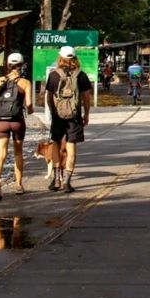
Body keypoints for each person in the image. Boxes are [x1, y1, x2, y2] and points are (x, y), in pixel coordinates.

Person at [45, 46, 92, 193]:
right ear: (75, 58)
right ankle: (67, 181)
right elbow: (86, 98)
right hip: (74, 117)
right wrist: (86, 114)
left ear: (60, 58)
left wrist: (54, 113)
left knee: (56, 145)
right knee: (71, 148)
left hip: (58, 116)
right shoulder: (81, 75)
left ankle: (56, 179)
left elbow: (48, 98)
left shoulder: (53, 75)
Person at [0, 52, 33, 200]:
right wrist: (29, 110)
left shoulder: (0, 80)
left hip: (1, 122)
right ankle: (19, 185)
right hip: (17, 122)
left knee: (1, 155)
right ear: (21, 65)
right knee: (18, 153)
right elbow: (29, 104)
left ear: (8, 65)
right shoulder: (25, 83)